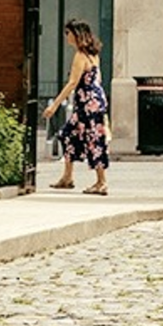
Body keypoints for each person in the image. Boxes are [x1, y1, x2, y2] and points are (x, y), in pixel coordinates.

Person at [48, 18, 110, 194]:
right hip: (94, 100)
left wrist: (55, 105)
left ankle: (101, 182)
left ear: (76, 35)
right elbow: (98, 79)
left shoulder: (80, 56)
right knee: (68, 134)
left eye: (68, 33)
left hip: (87, 103)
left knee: (94, 140)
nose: (66, 36)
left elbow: (72, 83)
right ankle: (67, 177)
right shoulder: (93, 55)